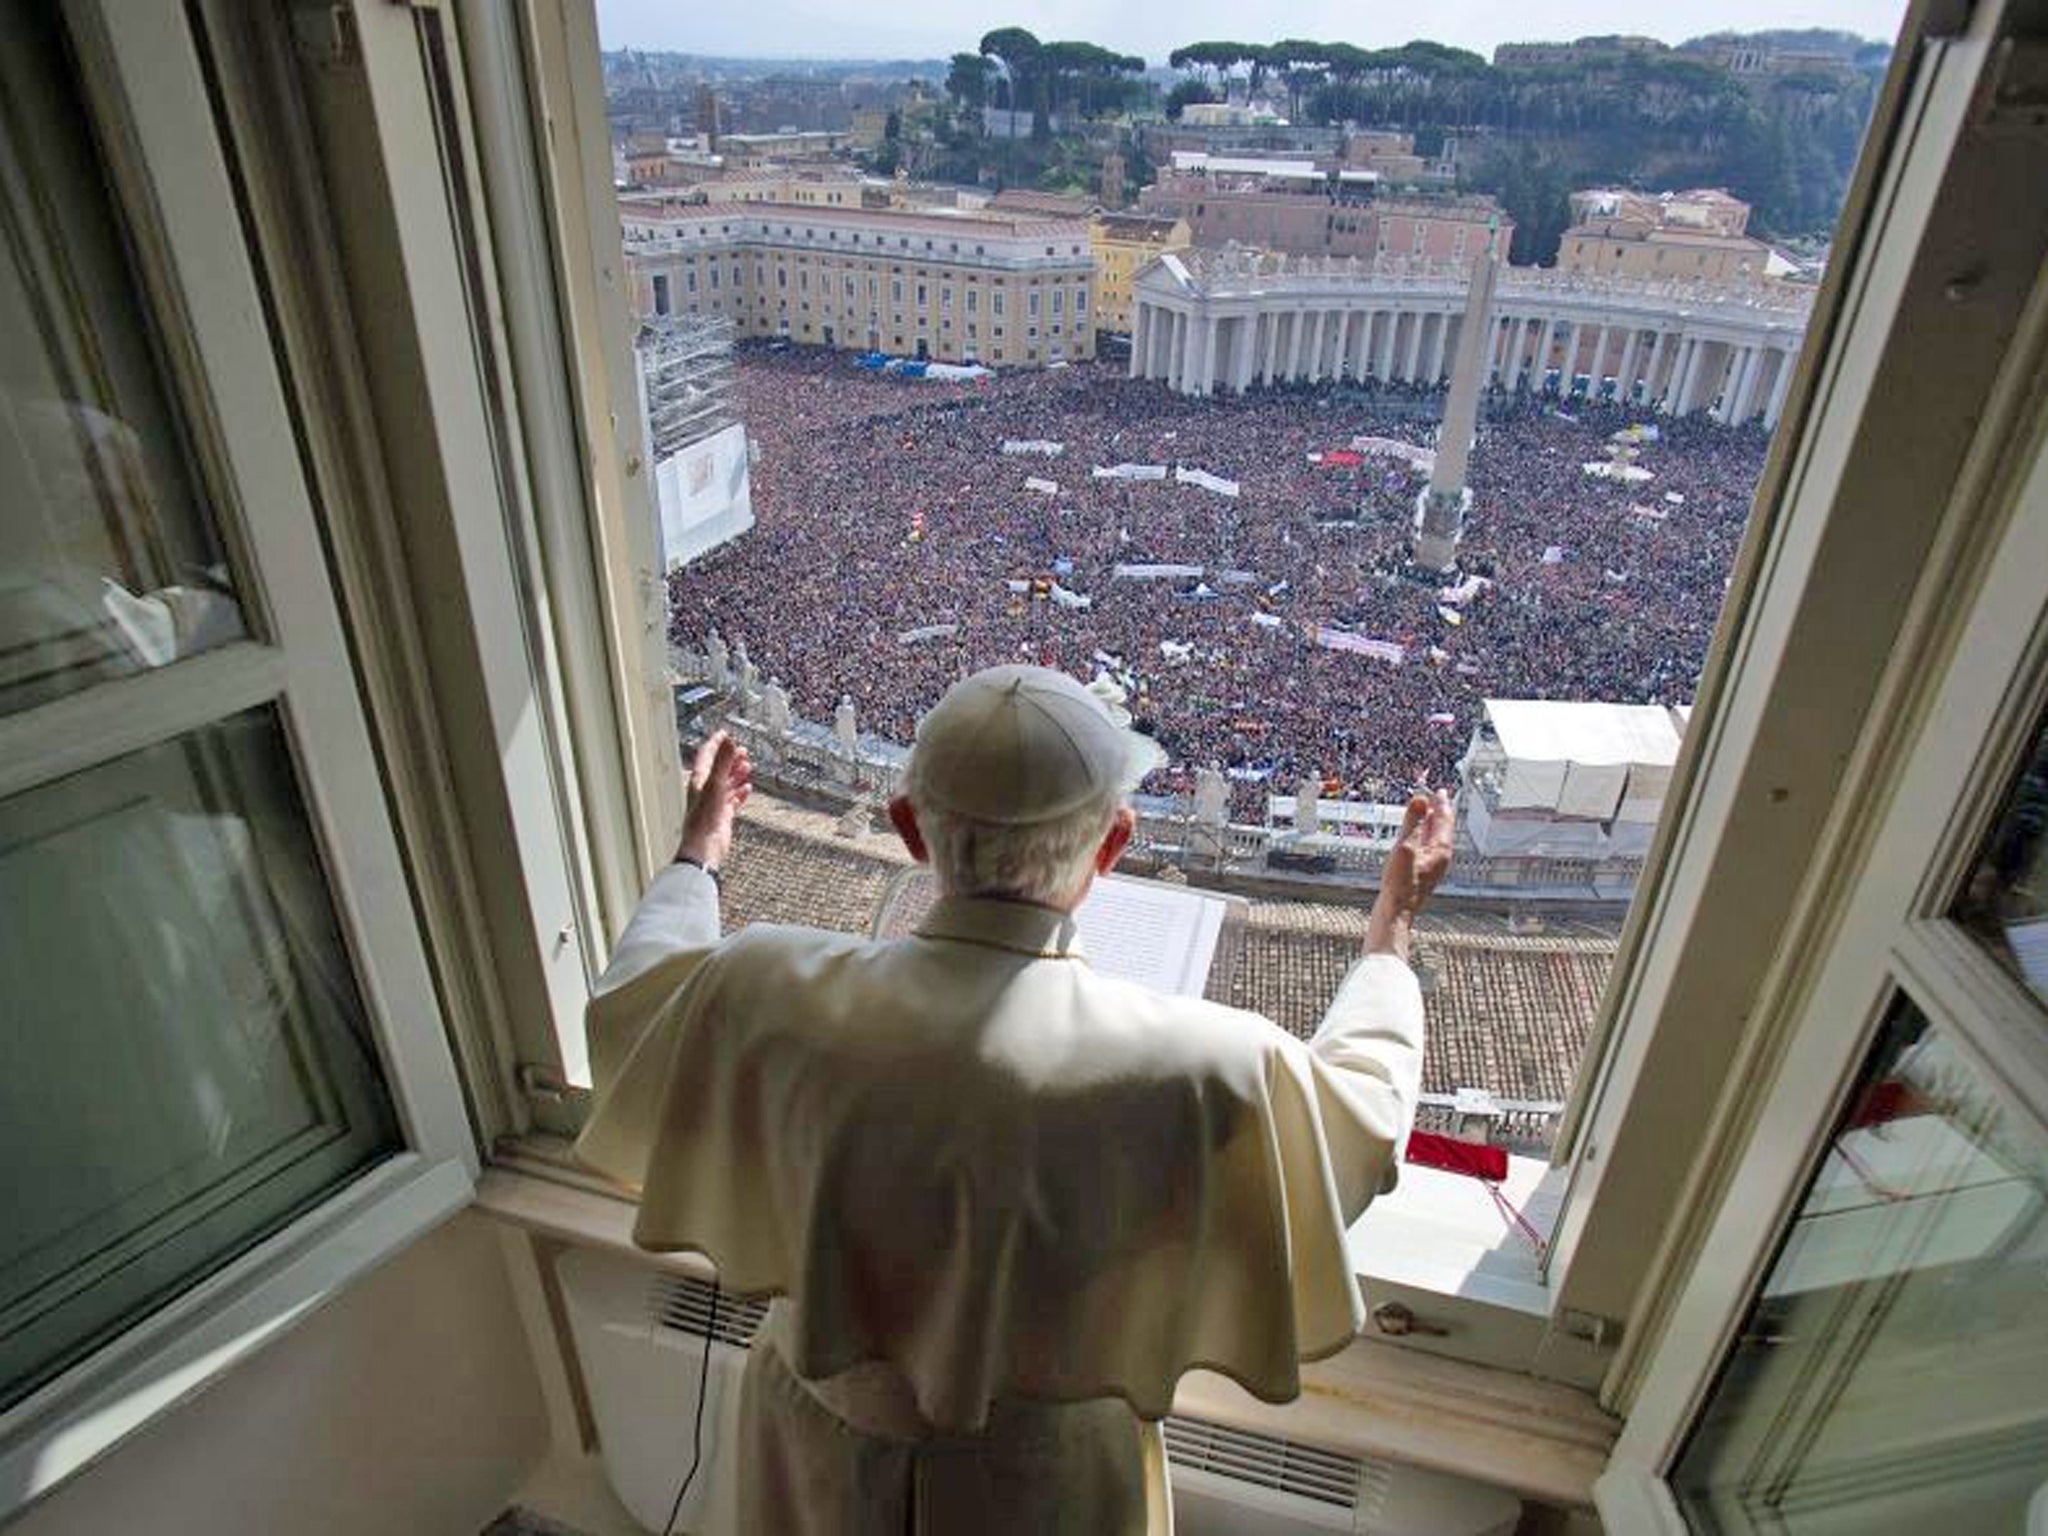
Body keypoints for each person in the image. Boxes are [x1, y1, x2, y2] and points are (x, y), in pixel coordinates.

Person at [576, 664, 1455, 1535]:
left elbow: (633, 1010)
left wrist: (700, 855)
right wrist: (1391, 927)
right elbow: (1364, 1120)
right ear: (1113, 845)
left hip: (814, 1445)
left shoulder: (760, 984)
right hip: (1049, 1488)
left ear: (909, 830)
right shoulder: (1211, 1068)